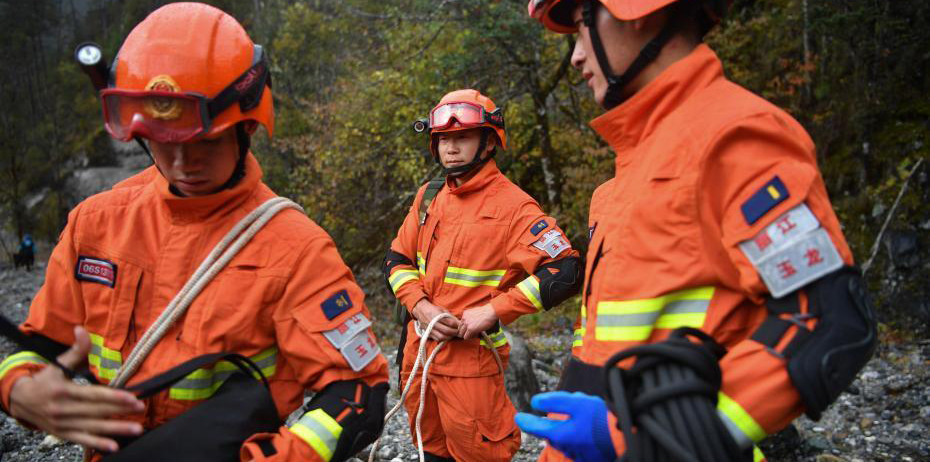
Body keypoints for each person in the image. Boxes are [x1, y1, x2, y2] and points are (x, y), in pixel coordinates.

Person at [0, 3, 389, 461]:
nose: (184, 164)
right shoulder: (96, 223)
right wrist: (17, 389)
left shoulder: (296, 249)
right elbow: (40, 343)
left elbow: (358, 392)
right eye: (163, 144)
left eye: (205, 142)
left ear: (246, 126)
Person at [517, 1, 876, 461]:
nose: (576, 57)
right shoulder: (629, 172)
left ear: (636, 10)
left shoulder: (736, 136)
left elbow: (828, 320)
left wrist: (646, 435)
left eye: (582, 27)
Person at [383, 89, 583, 461]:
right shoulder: (429, 197)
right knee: (430, 452)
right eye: (443, 139)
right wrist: (421, 306)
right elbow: (396, 259)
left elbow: (567, 271)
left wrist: (495, 311)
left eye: (462, 137)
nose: (451, 148)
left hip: (470, 366)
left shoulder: (515, 207)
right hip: (419, 356)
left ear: (489, 142)